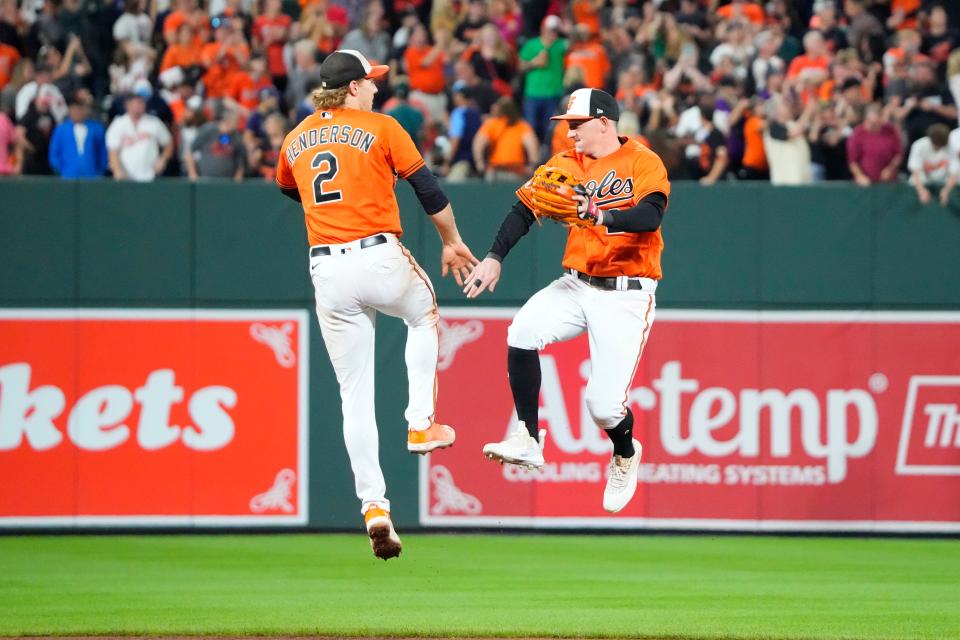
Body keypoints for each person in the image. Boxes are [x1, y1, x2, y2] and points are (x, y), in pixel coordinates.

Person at [274, 49, 478, 560]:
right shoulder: (381, 126)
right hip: (376, 253)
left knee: (353, 395)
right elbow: (427, 188)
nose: (376, 88)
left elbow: (289, 188)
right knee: (423, 311)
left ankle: (374, 507)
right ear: (350, 89)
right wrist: (451, 240)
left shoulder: (296, 136)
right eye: (369, 81)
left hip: (327, 268)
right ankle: (419, 421)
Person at [465, 88, 669, 514]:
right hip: (576, 284)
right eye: (567, 125)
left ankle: (626, 452)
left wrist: (601, 215)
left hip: (626, 293)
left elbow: (651, 216)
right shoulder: (564, 163)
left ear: (604, 123)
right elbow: (524, 209)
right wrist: (494, 257)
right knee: (522, 329)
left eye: (577, 124)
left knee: (603, 406)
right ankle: (528, 436)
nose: (570, 132)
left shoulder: (642, 161)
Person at [105, 90, 173, 182]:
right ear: (127, 105)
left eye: (142, 102)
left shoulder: (153, 122)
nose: (140, 105)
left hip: (150, 176)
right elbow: (112, 151)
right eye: (137, 102)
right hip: (126, 177)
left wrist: (162, 160)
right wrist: (117, 170)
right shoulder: (118, 123)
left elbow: (168, 143)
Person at [48, 92, 106, 179]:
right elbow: (54, 153)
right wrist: (62, 170)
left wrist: (99, 171)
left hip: (91, 176)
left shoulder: (96, 128)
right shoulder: (61, 129)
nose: (76, 112)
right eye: (73, 108)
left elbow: (103, 152)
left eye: (80, 108)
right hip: (68, 176)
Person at [907, 123, 959, 206]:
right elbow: (915, 171)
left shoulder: (950, 147)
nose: (938, 147)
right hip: (922, 182)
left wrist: (946, 190)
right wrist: (921, 191)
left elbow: (954, 173)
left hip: (943, 182)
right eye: (936, 145)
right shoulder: (919, 145)